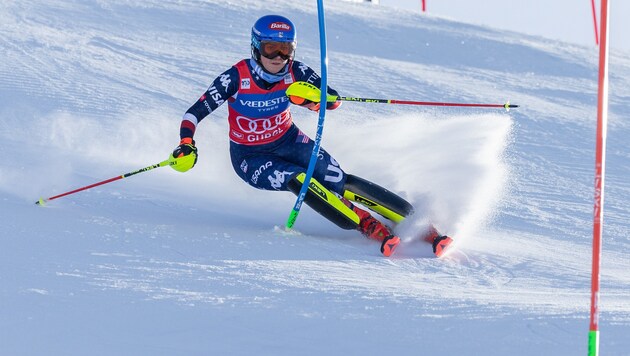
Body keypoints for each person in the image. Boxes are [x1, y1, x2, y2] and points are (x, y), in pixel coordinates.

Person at [169, 14, 452, 257]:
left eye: (285, 50)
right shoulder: (236, 77)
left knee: (336, 180)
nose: (278, 58)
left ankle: (421, 226)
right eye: (270, 49)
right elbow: (194, 112)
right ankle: (368, 225)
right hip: (250, 156)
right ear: (256, 48)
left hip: (289, 140)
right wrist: (186, 143)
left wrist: (314, 100)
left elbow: (333, 99)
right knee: (299, 179)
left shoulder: (296, 71)